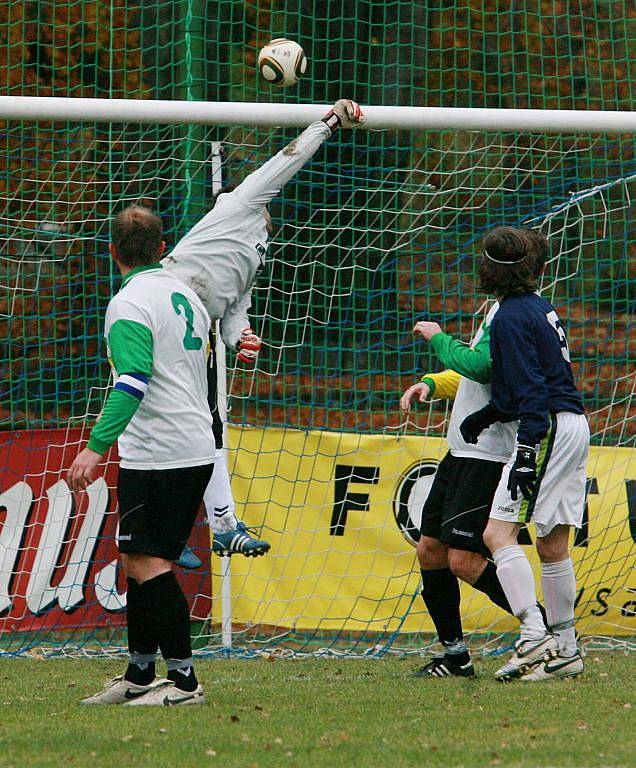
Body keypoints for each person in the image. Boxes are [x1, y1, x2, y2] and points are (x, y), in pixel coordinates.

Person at [164, 98, 365, 564]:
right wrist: (330, 122)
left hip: (194, 332)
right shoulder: (241, 203)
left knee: (203, 429)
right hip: (165, 312)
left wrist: (242, 338)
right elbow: (288, 159)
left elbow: (236, 308)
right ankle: (179, 529)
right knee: (179, 425)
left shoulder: (258, 247)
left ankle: (218, 526)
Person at [69, 206, 214, 705]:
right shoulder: (186, 295)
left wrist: (94, 448)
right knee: (137, 559)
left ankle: (185, 682)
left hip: (161, 451)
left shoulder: (129, 303)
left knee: (148, 562)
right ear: (160, 247)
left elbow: (132, 380)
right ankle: (138, 673)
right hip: (187, 443)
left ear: (111, 251)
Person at [460, 225, 588, 681]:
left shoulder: (509, 317)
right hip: (571, 423)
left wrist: (528, 449)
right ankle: (568, 650)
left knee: (497, 534)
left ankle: (535, 636)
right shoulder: (538, 308)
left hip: (546, 427)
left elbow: (531, 393)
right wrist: (488, 415)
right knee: (553, 544)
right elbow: (527, 383)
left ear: (488, 270)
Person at [400, 307, 518, 677]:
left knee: (464, 560)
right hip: (460, 452)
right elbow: (473, 377)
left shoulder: (513, 315)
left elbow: (482, 368)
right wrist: (433, 384)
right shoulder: (498, 309)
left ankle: (546, 632)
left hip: (487, 454)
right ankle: (456, 657)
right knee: (430, 550)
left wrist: (438, 337)